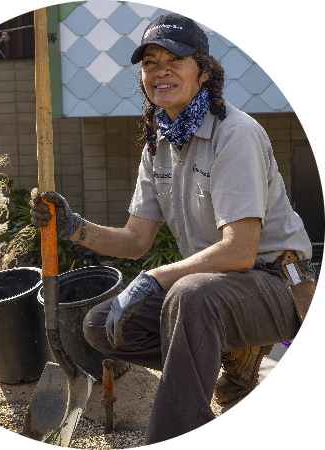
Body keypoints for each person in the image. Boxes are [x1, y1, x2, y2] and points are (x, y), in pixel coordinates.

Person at [30, 12, 317, 445]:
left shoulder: (235, 134)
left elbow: (240, 252)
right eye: (149, 62)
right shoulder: (159, 142)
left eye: (175, 60)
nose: (160, 71)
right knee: (102, 325)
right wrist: (72, 227)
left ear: (203, 70)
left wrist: (153, 278)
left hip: (278, 284)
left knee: (189, 294)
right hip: (218, 291)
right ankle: (228, 357)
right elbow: (135, 240)